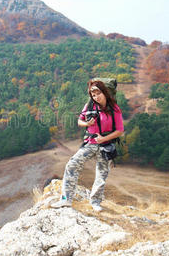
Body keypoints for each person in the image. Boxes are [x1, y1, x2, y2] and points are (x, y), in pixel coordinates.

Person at [51, 80, 124, 212]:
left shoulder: (114, 109)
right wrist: (87, 124)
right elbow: (80, 121)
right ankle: (66, 200)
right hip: (90, 143)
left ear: (105, 93)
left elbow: (119, 130)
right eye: (93, 95)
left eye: (98, 94)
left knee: (101, 174)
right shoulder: (90, 106)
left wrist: (103, 139)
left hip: (105, 146)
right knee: (72, 165)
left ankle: (95, 202)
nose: (96, 97)